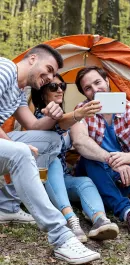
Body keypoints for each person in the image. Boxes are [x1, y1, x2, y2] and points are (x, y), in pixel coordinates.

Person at [0, 45, 100, 264]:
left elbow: (34, 125)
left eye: (53, 75)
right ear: (32, 59)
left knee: (52, 140)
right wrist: (14, 146)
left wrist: (55, 113)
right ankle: (61, 237)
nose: (49, 78)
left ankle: (6, 206)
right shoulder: (5, 69)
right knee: (20, 154)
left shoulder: (18, 90)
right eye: (47, 70)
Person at [70, 66, 130, 237]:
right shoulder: (83, 109)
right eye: (88, 88)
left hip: (122, 175)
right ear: (85, 94)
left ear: (107, 81)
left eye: (98, 82)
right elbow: (79, 142)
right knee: (89, 158)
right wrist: (111, 160)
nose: (95, 90)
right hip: (96, 169)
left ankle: (108, 201)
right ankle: (127, 212)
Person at [31, 73, 119, 242]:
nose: (60, 90)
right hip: (41, 179)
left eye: (62, 86)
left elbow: (69, 134)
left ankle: (100, 220)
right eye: (53, 87)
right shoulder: (39, 118)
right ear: (42, 93)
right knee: (53, 160)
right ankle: (70, 220)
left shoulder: (64, 116)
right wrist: (76, 115)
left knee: (84, 182)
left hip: (61, 178)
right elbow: (50, 130)